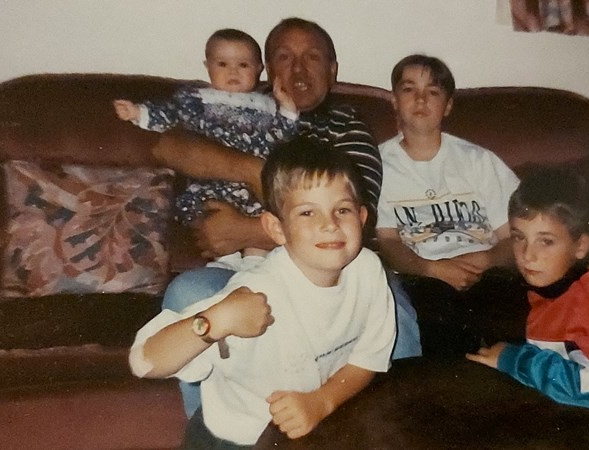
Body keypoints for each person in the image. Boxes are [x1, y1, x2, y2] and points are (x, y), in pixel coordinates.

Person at [155, 18, 421, 417]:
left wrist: (246, 229)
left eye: (312, 57)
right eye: (285, 57)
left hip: (335, 274)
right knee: (187, 294)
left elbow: (349, 221)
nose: (298, 69)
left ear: (332, 70)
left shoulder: (346, 125)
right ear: (266, 70)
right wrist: (253, 170)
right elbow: (168, 146)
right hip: (246, 273)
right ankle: (217, 435)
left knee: (394, 309)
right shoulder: (238, 106)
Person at [129, 138, 397, 448]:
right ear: (276, 229)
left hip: (310, 424)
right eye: (307, 213)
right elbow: (143, 361)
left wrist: (322, 402)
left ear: (362, 219)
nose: (330, 225)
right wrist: (216, 321)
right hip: (234, 440)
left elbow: (368, 358)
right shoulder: (258, 291)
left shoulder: (368, 270)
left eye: (342, 210)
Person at [467, 167, 589, 414]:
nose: (528, 255)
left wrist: (515, 361)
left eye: (546, 241)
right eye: (519, 237)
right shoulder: (542, 287)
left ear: (580, 246)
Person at [375, 54, 521, 357]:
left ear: (448, 105)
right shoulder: (378, 165)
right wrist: (430, 268)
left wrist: (489, 258)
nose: (420, 99)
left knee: (511, 323)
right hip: (423, 277)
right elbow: (388, 241)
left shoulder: (479, 160)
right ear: (394, 100)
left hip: (487, 272)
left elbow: (514, 235)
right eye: (409, 89)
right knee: (441, 338)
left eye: (433, 91)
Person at [114, 28, 298, 267]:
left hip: (254, 191)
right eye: (222, 64)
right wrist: (138, 112)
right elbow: (170, 114)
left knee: (262, 218)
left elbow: (282, 136)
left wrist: (288, 109)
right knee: (210, 214)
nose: (233, 72)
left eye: (243, 65)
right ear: (208, 66)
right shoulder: (197, 99)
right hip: (213, 183)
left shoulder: (267, 105)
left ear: (258, 68)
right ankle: (225, 262)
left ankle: (255, 266)